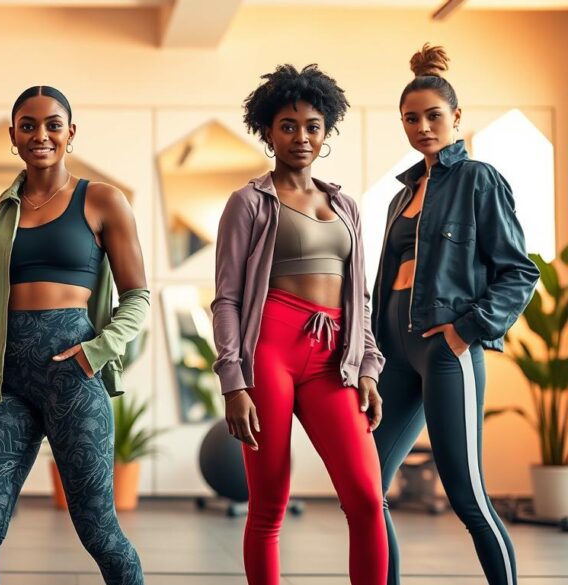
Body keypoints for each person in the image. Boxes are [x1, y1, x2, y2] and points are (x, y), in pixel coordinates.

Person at [0, 86, 149, 585]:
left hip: (72, 372)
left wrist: (96, 351)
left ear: (70, 134)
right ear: (13, 136)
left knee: (97, 528)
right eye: (29, 125)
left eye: (53, 124)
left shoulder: (101, 200)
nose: (41, 134)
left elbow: (138, 296)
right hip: (5, 380)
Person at [213, 65, 387, 585]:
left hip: (335, 358)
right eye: (288, 125)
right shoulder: (248, 202)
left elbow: (360, 297)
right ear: (268, 131)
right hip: (270, 349)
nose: (301, 136)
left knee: (365, 497)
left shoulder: (345, 206)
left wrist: (370, 368)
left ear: (326, 131)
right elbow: (226, 299)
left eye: (312, 125)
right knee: (268, 503)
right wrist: (234, 382)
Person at [371, 44, 538, 585]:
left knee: (467, 497)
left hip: (445, 349)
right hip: (395, 352)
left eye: (433, 116)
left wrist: (466, 332)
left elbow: (519, 272)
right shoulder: (402, 197)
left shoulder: (479, 180)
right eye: (411, 119)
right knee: (367, 491)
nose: (422, 127)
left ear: (457, 117)